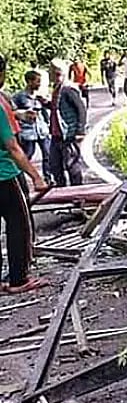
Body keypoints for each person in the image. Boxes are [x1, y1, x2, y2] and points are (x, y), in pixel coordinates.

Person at [0, 56, 48, 293]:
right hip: (6, 174)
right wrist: (36, 176)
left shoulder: (4, 101)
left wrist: (18, 116)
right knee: (20, 224)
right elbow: (13, 147)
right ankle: (19, 278)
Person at [47, 59, 87, 187]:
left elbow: (81, 108)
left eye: (58, 74)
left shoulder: (68, 89)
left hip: (68, 134)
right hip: (56, 134)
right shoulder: (57, 89)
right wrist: (45, 103)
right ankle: (62, 191)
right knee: (55, 165)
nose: (56, 77)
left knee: (72, 165)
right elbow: (57, 108)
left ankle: (77, 194)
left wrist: (80, 130)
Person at [12, 70, 52, 183]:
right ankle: (20, 178)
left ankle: (48, 179)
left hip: (42, 130)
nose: (39, 84)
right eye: (37, 81)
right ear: (29, 82)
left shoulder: (41, 96)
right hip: (28, 133)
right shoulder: (19, 97)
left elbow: (48, 109)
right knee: (27, 156)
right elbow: (12, 112)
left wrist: (46, 102)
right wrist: (23, 114)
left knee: (48, 155)